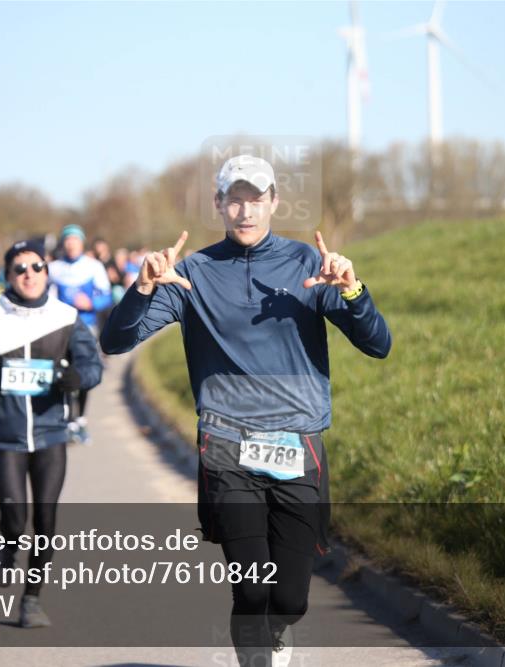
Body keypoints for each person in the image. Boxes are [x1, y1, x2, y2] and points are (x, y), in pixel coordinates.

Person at [101, 155, 391, 666]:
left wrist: (351, 288)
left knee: (290, 598)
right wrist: (144, 286)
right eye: (234, 200)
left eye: (256, 199)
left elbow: (378, 346)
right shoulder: (193, 273)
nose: (245, 211)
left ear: (274, 202)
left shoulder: (307, 264)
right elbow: (115, 341)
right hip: (227, 446)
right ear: (218, 205)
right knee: (252, 587)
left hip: (298, 444)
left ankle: (276, 636)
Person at [0, 239, 102, 628]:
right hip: (7, 433)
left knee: (46, 520)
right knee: (15, 518)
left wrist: (77, 378)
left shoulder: (66, 316)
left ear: (47, 272)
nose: (29, 274)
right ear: (8, 276)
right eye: (20, 269)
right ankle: (7, 543)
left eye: (36, 267)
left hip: (52, 431)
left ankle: (31, 600)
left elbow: (93, 365)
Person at [47, 224, 112, 444]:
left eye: (75, 240)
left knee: (84, 370)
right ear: (63, 244)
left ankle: (80, 419)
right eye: (67, 240)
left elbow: (107, 297)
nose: (71, 244)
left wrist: (91, 302)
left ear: (82, 243)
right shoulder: (53, 268)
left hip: (86, 327)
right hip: (59, 328)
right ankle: (67, 419)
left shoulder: (93, 267)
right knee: (61, 371)